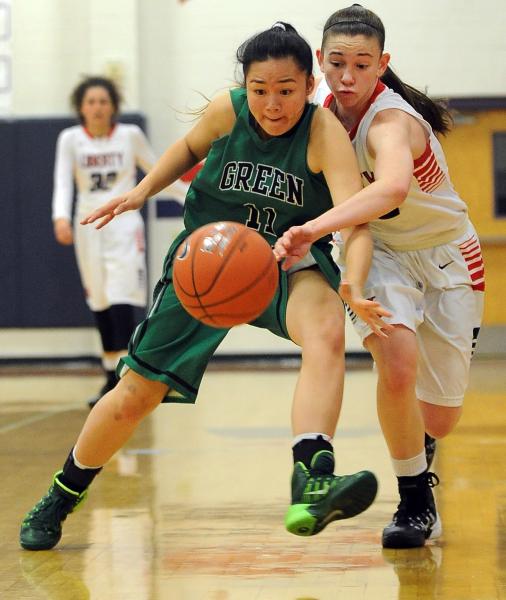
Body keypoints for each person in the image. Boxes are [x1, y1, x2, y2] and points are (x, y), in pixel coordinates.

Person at [19, 22, 391, 552]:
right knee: (134, 395)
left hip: (284, 262)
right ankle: (61, 493)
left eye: (286, 91)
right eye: (260, 90)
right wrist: (140, 191)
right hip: (208, 261)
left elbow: (356, 222)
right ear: (245, 86)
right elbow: (187, 148)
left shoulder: (323, 132)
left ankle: (311, 477)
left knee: (327, 328)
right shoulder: (228, 109)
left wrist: (352, 282)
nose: (272, 103)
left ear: (309, 86)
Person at [275, 5, 485, 549]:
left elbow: (391, 188)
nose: (347, 77)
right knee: (395, 362)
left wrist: (312, 227)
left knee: (439, 418)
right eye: (337, 62)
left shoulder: (392, 122)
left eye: (361, 65)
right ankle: (415, 497)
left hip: (447, 256)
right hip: (379, 252)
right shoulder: (319, 117)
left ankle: (423, 447)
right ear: (320, 61)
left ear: (382, 65)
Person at [52, 76, 155, 408]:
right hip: (89, 224)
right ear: (81, 108)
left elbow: (156, 173)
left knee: (123, 294)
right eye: (91, 102)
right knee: (99, 299)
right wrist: (60, 218)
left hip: (124, 222)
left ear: (113, 107)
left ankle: (127, 376)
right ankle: (110, 373)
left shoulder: (130, 136)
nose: (97, 107)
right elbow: (63, 183)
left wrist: (192, 199)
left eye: (103, 101)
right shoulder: (70, 139)